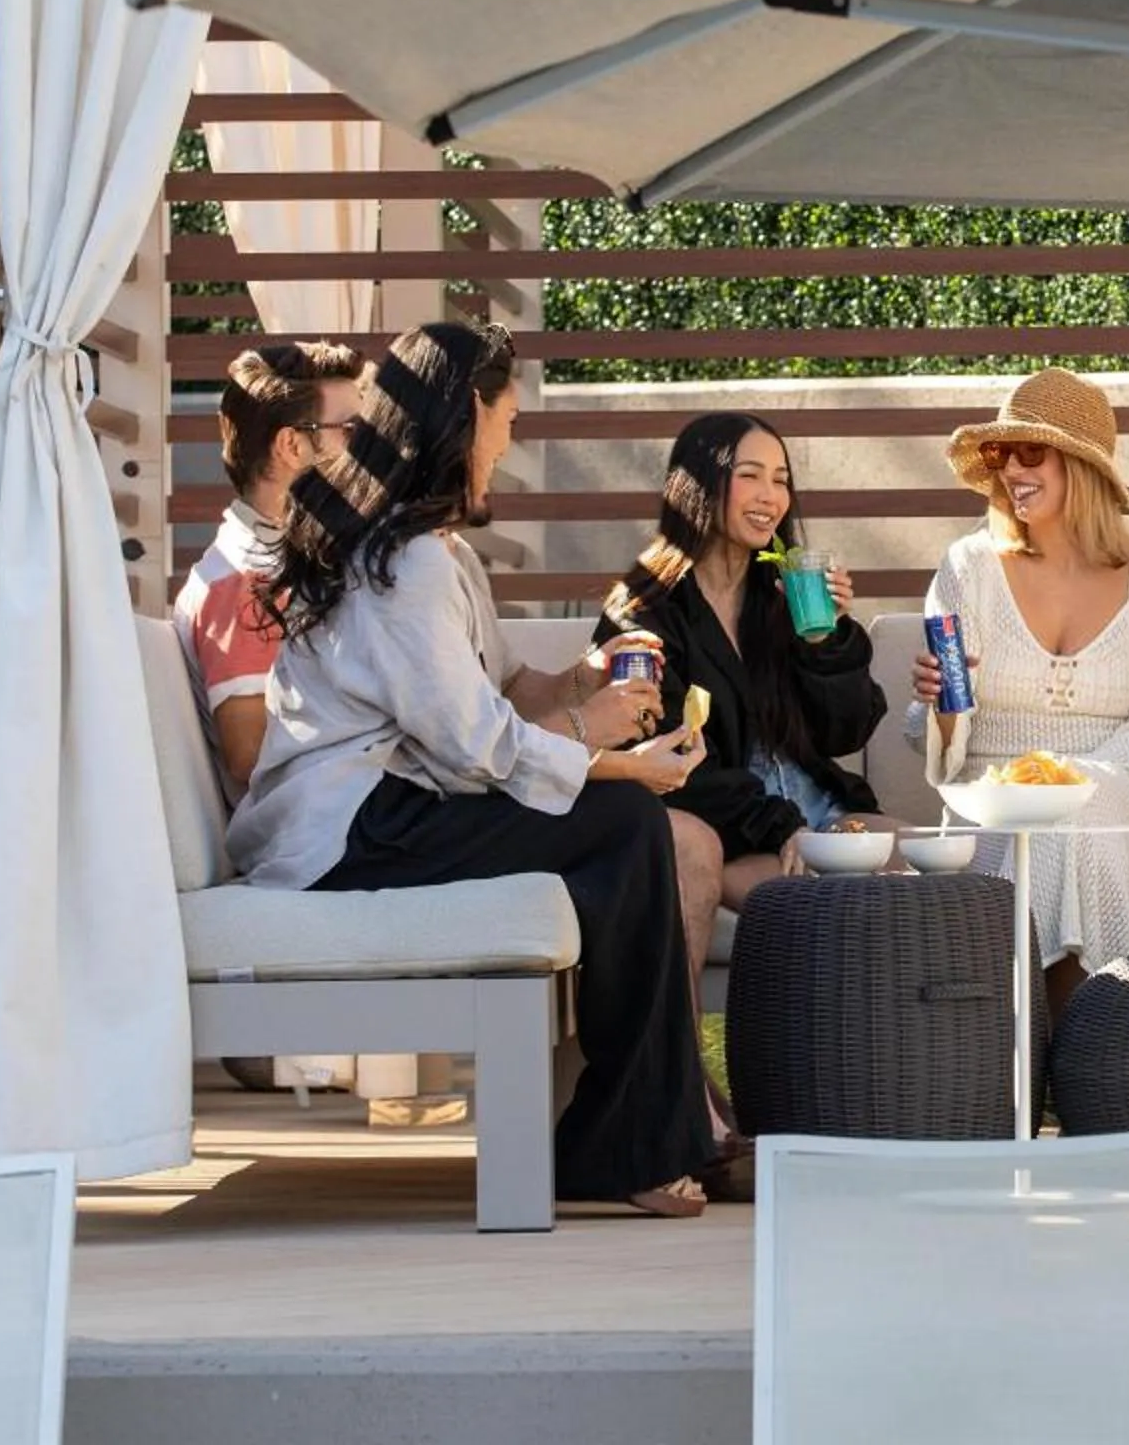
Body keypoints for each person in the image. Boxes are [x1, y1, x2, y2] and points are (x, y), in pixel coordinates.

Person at [238, 321, 720, 1218]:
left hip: (393, 808)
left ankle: (624, 1138)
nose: (509, 443)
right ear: (466, 417)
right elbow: (475, 744)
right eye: (505, 421)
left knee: (626, 833)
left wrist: (585, 676)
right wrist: (609, 752)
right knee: (626, 827)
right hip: (353, 831)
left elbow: (499, 688)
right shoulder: (405, 562)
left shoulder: (435, 551)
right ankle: (624, 1144)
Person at [909, 369, 1129, 1007]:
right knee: (1047, 831)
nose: (1011, 468)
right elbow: (939, 744)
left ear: (1081, 465)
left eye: (1030, 450)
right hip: (990, 800)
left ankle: (1021, 1059)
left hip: (1120, 799)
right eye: (999, 452)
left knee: (1068, 819)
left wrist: (1058, 782)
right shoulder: (968, 568)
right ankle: (1103, 1055)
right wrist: (941, 707)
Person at [595, 413, 889, 919]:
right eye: (750, 475)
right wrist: (780, 828)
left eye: (781, 480)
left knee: (938, 879)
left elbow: (846, 734)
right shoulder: (644, 613)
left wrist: (825, 639)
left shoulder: (783, 596)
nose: (770, 496)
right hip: (731, 829)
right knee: (828, 910)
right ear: (701, 484)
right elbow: (670, 760)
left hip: (816, 809)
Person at [170, 339, 359, 803]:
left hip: (357, 810)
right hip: (328, 831)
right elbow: (250, 751)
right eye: (353, 431)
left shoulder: (293, 561)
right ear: (292, 444)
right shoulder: (243, 581)